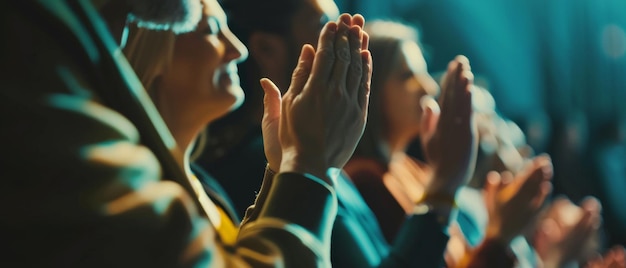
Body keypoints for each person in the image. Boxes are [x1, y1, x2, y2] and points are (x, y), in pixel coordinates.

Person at [0, 0, 371, 266]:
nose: (239, 50)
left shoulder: (198, 182)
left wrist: (282, 171)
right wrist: (308, 167)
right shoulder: (32, 57)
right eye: (208, 28)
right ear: (156, 44)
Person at [197, 0, 341, 215]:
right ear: (266, 48)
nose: (343, 42)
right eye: (323, 25)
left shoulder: (299, 150)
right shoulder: (253, 165)